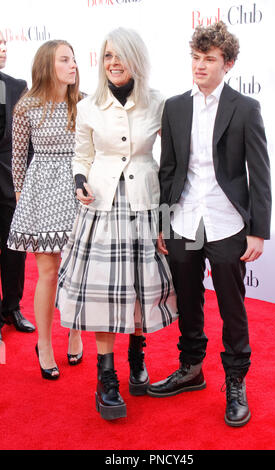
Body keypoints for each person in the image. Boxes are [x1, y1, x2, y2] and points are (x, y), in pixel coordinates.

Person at [147, 22, 271, 428]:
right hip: (182, 219)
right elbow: (168, 169)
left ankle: (236, 380)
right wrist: (163, 222)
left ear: (228, 64)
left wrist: (258, 229)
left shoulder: (245, 108)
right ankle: (191, 368)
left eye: (210, 59)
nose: (200, 66)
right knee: (188, 298)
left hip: (226, 221)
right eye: (196, 58)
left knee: (232, 305)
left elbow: (260, 174)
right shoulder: (176, 106)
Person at [56, 27, 177, 420]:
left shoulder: (159, 103)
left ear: (136, 59)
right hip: (102, 207)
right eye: (107, 56)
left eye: (120, 55)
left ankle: (136, 358)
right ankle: (106, 376)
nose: (113, 62)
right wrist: (79, 180)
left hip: (145, 203)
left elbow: (175, 159)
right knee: (104, 292)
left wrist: (169, 217)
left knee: (141, 289)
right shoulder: (90, 105)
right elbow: (81, 156)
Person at [7, 40, 84, 379]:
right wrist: (26, 198)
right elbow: (18, 160)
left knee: (79, 269)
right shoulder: (27, 106)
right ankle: (45, 344)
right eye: (65, 60)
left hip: (79, 191)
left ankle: (76, 332)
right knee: (48, 272)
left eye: (74, 59)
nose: (73, 65)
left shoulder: (84, 104)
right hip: (42, 192)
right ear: (46, 66)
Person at [0, 30, 35, 341]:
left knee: (15, 249)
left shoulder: (17, 86)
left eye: (3, 43)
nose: (2, 49)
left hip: (9, 181)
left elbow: (27, 139)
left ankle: (11, 307)